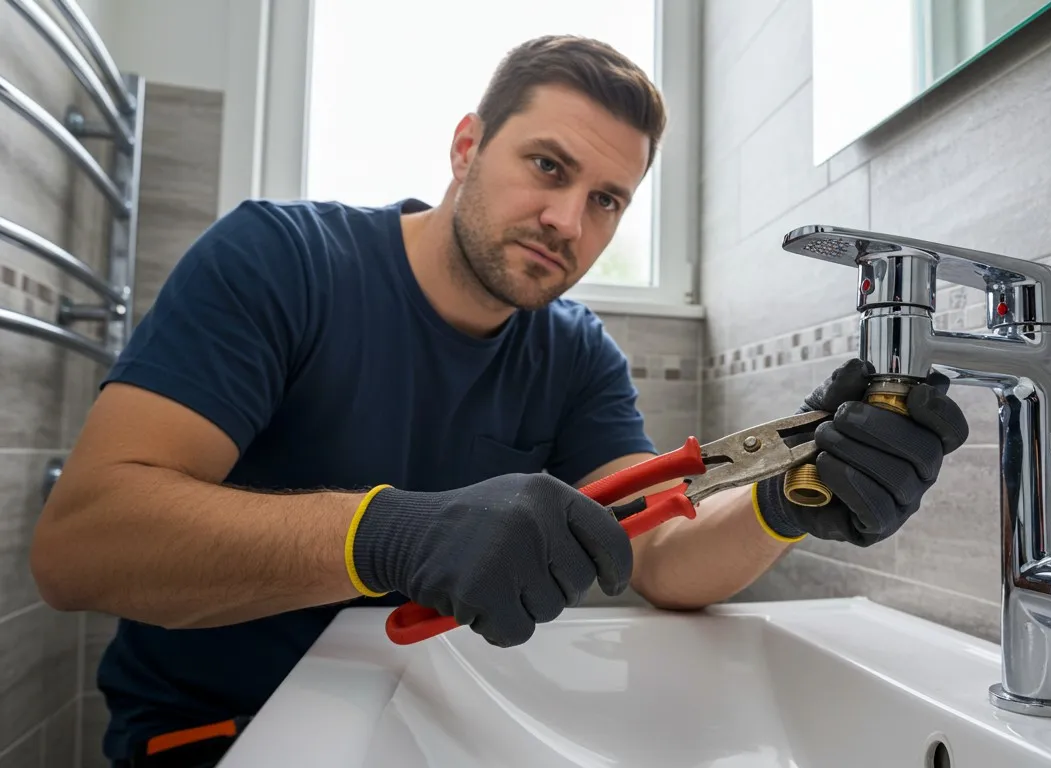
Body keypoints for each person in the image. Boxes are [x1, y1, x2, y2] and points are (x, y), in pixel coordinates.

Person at [29, 34, 969, 768]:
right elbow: (81, 548)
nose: (569, 220)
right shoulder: (280, 262)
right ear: (466, 145)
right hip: (224, 736)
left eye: (607, 199)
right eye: (548, 168)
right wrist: (384, 534)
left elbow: (658, 553)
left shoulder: (575, 353)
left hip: (424, 719)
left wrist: (789, 492)